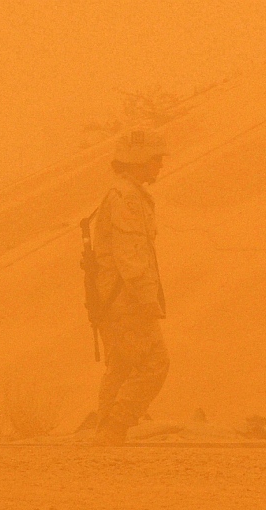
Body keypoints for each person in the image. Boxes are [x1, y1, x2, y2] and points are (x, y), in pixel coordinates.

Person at [91, 129, 170, 445]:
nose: (160, 165)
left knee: (123, 366)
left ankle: (105, 439)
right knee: (155, 364)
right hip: (127, 301)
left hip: (116, 300)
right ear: (138, 160)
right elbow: (131, 255)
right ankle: (114, 429)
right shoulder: (126, 198)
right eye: (155, 159)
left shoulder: (128, 194)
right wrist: (147, 299)